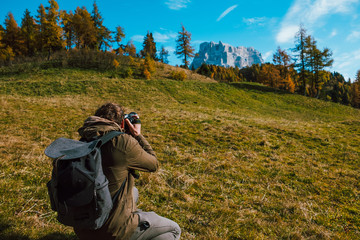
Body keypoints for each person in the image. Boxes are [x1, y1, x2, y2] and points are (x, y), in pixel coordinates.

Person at [74, 103, 181, 240]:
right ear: (122, 123)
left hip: (83, 227)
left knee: (133, 192)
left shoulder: (83, 141)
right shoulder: (122, 142)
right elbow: (153, 164)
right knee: (174, 229)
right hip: (111, 231)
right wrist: (137, 135)